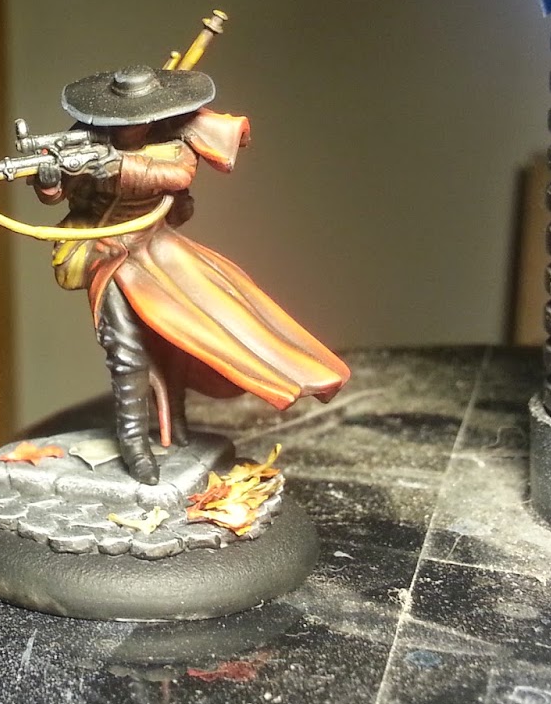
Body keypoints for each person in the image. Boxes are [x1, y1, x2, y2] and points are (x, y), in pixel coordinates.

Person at [32, 63, 350, 484]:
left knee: (180, 336)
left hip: (157, 248)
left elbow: (177, 175)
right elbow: (60, 192)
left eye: (137, 119)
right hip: (104, 251)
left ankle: (175, 424)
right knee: (124, 346)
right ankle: (134, 442)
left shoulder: (174, 142)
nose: (131, 127)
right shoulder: (86, 140)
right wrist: (50, 182)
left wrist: (116, 167)